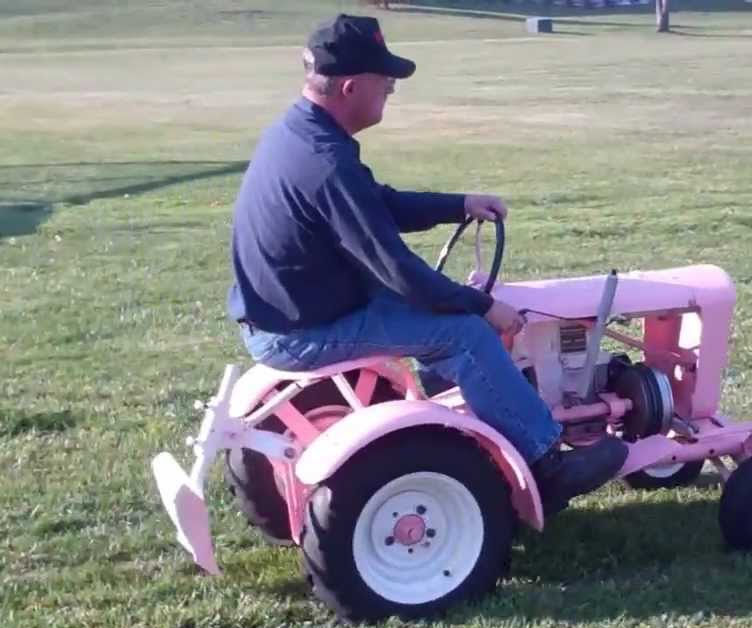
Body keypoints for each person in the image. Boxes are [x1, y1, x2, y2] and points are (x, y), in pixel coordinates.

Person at [225, 14, 626, 515]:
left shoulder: (301, 134)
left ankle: (449, 388)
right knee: (465, 332)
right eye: (385, 80)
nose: (391, 87)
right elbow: (398, 270)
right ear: (350, 87)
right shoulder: (326, 164)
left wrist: (457, 203)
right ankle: (548, 465)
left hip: (291, 308)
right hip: (301, 328)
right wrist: (484, 307)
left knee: (439, 312)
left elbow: (376, 204)